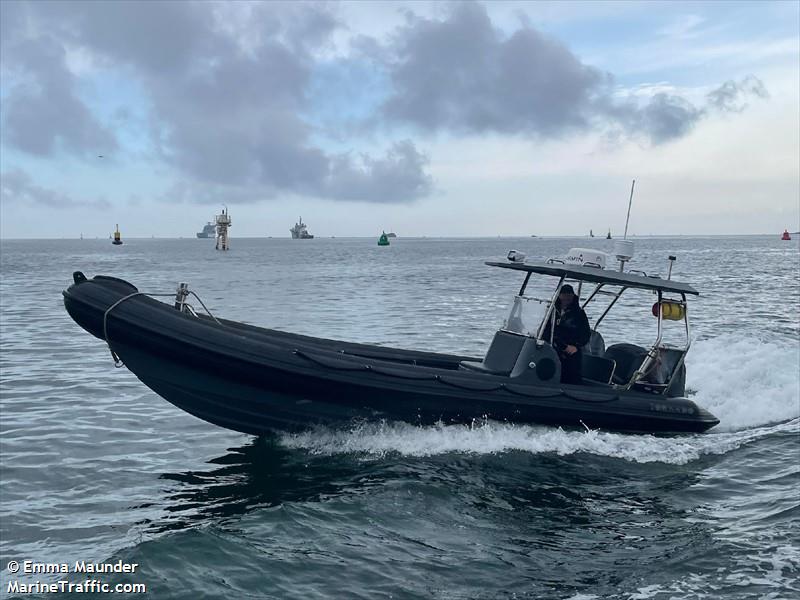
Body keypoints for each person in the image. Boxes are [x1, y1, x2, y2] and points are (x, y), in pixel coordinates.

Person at [542, 284, 591, 384]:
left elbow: (586, 333)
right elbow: (544, 329)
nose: (566, 297)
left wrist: (576, 346)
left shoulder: (579, 313)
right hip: (553, 346)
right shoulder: (551, 311)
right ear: (559, 296)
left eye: (569, 295)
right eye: (564, 294)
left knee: (571, 373)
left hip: (571, 349)